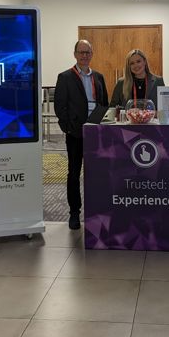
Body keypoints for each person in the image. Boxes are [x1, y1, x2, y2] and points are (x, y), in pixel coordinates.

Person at [54, 40, 108, 230]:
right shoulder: (65, 77)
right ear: (75, 54)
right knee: (74, 173)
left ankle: (97, 209)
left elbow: (104, 102)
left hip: (96, 133)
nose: (84, 55)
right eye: (81, 52)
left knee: (98, 173)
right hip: (75, 133)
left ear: (92, 54)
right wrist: (67, 127)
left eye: (88, 52)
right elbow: (60, 106)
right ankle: (74, 212)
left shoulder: (99, 77)